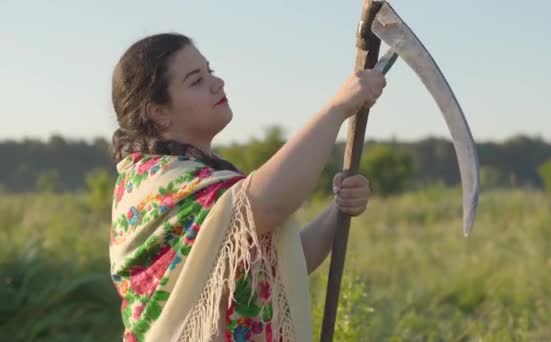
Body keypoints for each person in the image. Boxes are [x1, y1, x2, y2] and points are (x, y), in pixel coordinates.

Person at [108, 32, 386, 342]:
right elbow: (267, 203)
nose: (217, 83)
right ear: (159, 111)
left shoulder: (208, 177)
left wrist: (338, 209)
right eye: (196, 80)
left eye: (210, 71)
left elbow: (281, 264)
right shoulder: (156, 184)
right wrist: (336, 109)